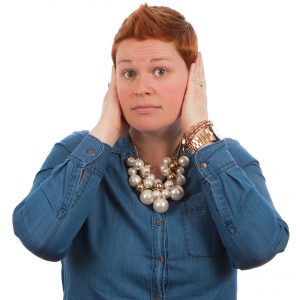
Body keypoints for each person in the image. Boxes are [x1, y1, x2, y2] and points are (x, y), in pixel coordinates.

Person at [12, 4, 289, 300]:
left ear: (193, 77)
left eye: (160, 71)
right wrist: (105, 130)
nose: (141, 88)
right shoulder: (76, 153)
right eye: (129, 73)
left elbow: (259, 249)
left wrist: (199, 132)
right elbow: (40, 240)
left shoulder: (227, 160)